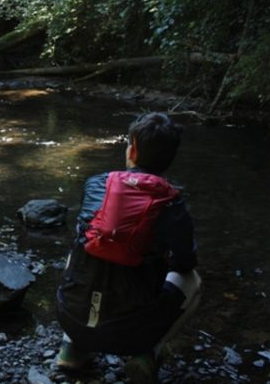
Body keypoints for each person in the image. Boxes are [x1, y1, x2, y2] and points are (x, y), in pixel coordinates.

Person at [55, 112, 201, 384]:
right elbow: (185, 263)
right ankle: (149, 353)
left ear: (132, 149)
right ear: (169, 158)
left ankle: (72, 348)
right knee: (193, 281)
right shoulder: (172, 203)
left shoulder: (96, 183)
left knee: (82, 247)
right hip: (131, 335)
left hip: (69, 316)